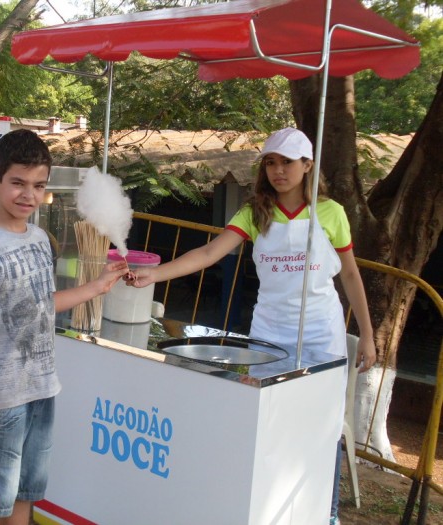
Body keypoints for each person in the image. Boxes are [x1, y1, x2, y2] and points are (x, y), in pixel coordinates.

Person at [128, 127, 376, 525]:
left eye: (288, 162)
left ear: (307, 165)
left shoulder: (331, 212)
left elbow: (349, 275)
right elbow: (210, 251)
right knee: (268, 421)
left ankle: (323, 515)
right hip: (270, 334)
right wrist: (154, 275)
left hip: (321, 334)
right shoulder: (254, 211)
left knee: (322, 427)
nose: (279, 171)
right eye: (271, 162)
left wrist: (366, 333)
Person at [0, 129, 128, 525]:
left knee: (25, 495)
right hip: (1, 400)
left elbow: (42, 309)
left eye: (37, 186)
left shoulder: (39, 240)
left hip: (43, 390)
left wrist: (97, 286)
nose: (27, 195)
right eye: (17, 183)